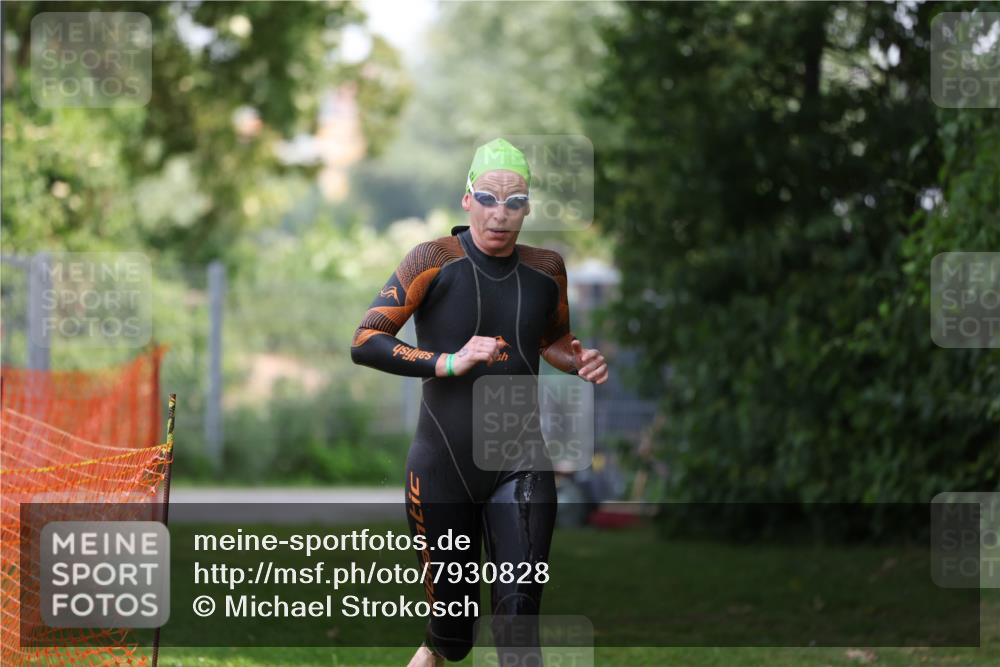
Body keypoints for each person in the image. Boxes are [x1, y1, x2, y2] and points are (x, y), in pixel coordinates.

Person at [351, 138, 608, 666]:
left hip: (521, 462)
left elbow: (553, 340)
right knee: (453, 636)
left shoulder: (547, 269)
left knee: (517, 619)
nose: (501, 213)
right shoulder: (432, 259)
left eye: (515, 202)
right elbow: (366, 341)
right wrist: (447, 361)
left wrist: (576, 359)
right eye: (489, 198)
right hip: (442, 468)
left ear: (528, 208)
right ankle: (434, 650)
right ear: (467, 199)